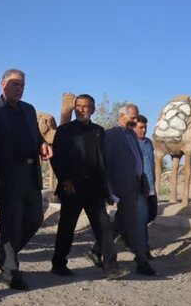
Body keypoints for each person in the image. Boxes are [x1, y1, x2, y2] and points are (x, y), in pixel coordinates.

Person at [50, 94, 128, 279]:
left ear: (93, 109)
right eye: (78, 106)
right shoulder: (64, 130)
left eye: (86, 106)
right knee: (67, 227)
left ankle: (111, 267)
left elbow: (102, 162)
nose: (81, 109)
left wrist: (107, 190)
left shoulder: (99, 131)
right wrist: (65, 180)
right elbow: (57, 158)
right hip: (72, 188)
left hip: (94, 188)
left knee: (104, 228)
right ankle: (58, 264)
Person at [0, 69, 52, 291]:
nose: (20, 89)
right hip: (7, 174)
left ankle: (2, 250)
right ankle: (10, 271)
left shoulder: (28, 110)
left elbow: (36, 136)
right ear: (3, 84)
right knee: (10, 223)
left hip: (30, 174)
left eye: (22, 85)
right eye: (15, 84)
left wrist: (42, 144)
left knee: (34, 218)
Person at [103, 103, 156, 276]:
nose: (135, 121)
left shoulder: (132, 136)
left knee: (132, 221)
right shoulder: (111, 136)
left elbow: (137, 160)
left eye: (136, 117)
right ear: (121, 117)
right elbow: (106, 164)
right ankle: (141, 260)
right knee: (136, 222)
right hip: (121, 187)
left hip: (137, 185)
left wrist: (145, 182)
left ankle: (98, 249)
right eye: (132, 118)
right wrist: (109, 189)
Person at [133, 114, 157, 259]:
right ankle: (143, 250)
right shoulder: (130, 143)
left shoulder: (149, 143)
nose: (144, 130)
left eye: (145, 127)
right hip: (138, 188)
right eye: (141, 127)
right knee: (141, 219)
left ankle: (128, 234)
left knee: (151, 214)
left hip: (151, 187)